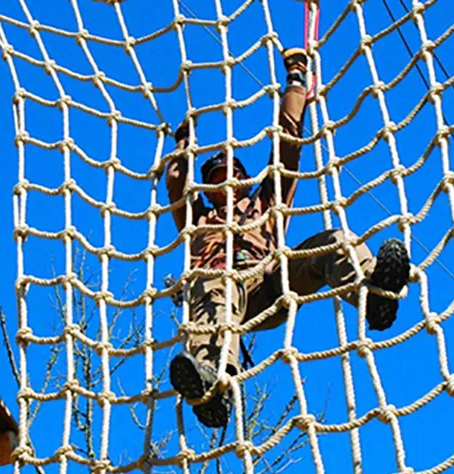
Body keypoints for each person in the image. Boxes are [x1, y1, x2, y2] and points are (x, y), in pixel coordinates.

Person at [163, 47, 411, 428]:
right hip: (220, 293)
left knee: (333, 241)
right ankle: (211, 385)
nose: (226, 181)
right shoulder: (198, 218)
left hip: (269, 280)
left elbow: (287, 145)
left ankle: (372, 291)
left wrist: (295, 82)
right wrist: (182, 145)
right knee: (217, 285)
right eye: (215, 178)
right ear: (208, 191)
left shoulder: (264, 202)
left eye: (232, 173)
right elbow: (177, 184)